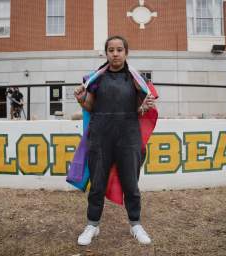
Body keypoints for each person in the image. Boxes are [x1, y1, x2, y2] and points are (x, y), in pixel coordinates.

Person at [73, 35, 157, 246]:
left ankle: (135, 224)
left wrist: (144, 107)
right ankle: (92, 225)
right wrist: (81, 99)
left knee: (131, 184)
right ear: (106, 53)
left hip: (128, 137)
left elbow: (140, 109)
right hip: (100, 137)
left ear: (126, 52)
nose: (115, 53)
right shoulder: (95, 79)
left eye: (119, 50)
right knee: (97, 184)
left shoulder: (135, 79)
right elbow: (90, 106)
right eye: (111, 50)